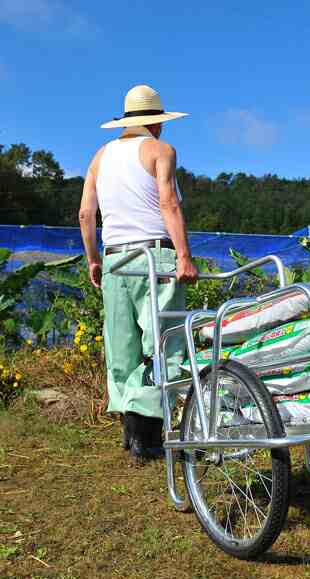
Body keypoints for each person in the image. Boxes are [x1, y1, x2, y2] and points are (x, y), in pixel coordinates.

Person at [78, 84, 198, 462]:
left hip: (115, 260)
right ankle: (148, 439)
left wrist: (94, 259)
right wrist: (184, 256)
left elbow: (85, 214)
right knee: (164, 343)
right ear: (157, 124)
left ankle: (131, 435)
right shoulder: (160, 151)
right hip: (154, 257)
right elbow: (169, 203)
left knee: (121, 345)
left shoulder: (100, 156)